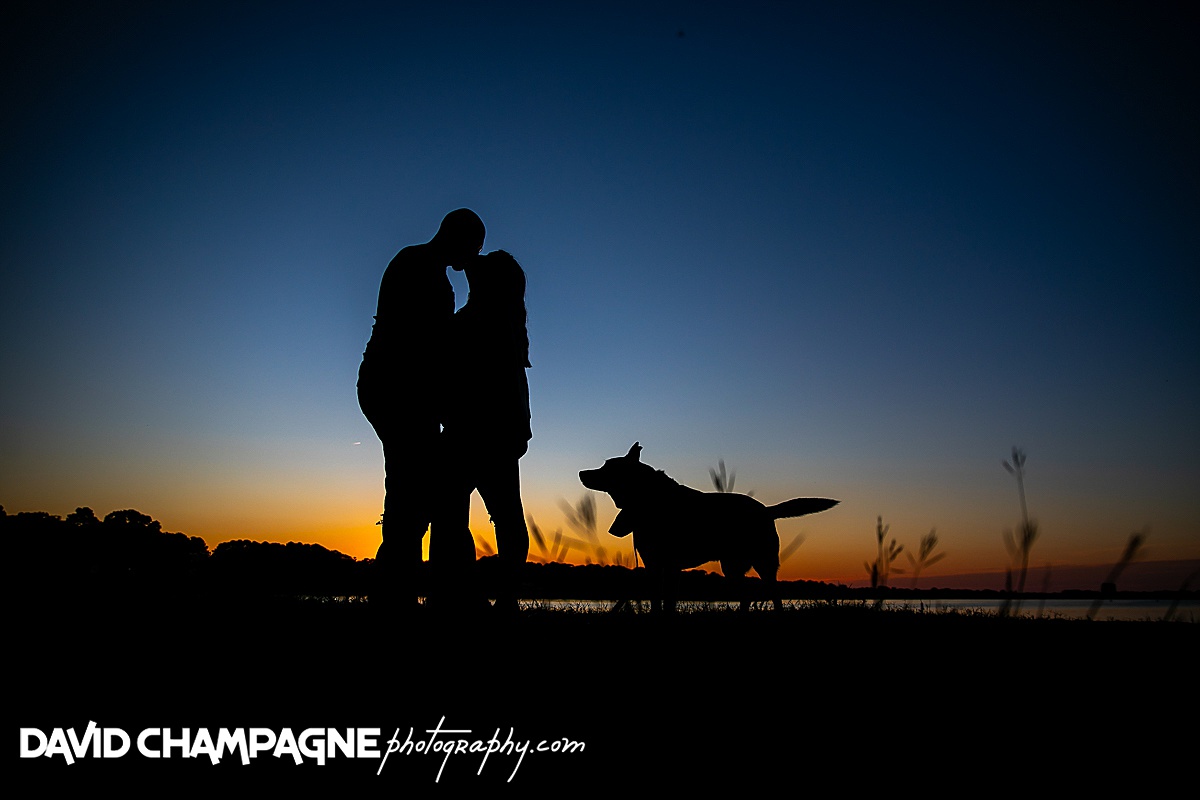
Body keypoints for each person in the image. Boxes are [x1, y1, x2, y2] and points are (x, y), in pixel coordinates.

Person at [357, 208, 485, 611]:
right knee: (410, 493)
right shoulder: (420, 269)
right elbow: (425, 349)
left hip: (393, 388)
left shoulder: (417, 264)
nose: (474, 257)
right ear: (457, 237)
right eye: (475, 246)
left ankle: (397, 592)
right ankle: (397, 596)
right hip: (397, 390)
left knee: (409, 489)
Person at [437, 249, 532, 614]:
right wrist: (521, 430)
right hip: (496, 434)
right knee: (505, 517)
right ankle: (496, 597)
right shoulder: (505, 324)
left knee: (454, 515)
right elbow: (516, 388)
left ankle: (465, 596)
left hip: (471, 433)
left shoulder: (475, 322)